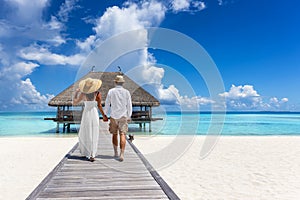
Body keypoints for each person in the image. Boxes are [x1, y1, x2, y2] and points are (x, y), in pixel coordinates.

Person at [73, 78, 108, 162]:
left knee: (86, 132)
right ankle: (93, 154)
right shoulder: (97, 94)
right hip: (94, 113)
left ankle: (87, 152)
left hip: (86, 114)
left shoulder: (83, 94)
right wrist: (104, 116)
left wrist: (76, 93)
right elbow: (99, 106)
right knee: (94, 132)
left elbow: (74, 102)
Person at [104, 75, 132, 161]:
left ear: (115, 82)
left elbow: (107, 103)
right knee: (122, 134)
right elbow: (129, 105)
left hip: (113, 116)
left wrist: (105, 114)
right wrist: (129, 115)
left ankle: (115, 152)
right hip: (123, 116)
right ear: (123, 83)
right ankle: (122, 154)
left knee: (114, 134)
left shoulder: (111, 91)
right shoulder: (126, 92)